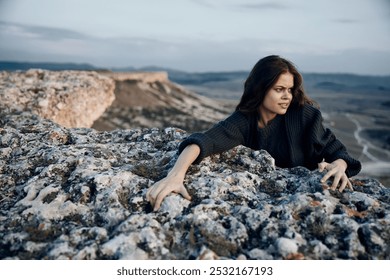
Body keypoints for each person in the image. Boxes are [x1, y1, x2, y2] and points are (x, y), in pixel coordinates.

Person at [146, 55, 362, 211]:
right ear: (260, 89)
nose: (287, 96)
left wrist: (338, 166)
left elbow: (339, 153)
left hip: (309, 203)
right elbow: (203, 142)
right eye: (279, 89)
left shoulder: (304, 115)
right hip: (270, 203)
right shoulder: (244, 121)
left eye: (289, 89)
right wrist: (175, 176)